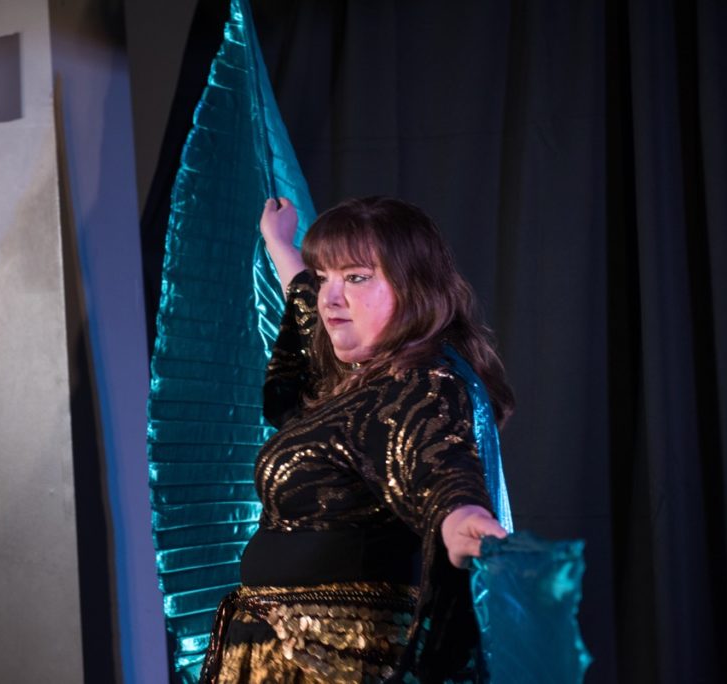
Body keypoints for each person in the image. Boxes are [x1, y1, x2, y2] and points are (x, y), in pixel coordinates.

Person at [199, 196, 515, 683]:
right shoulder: (360, 382)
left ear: (412, 287)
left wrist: (459, 517)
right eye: (323, 276)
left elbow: (438, 459)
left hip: (338, 660)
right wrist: (280, 245)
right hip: (286, 655)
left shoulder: (422, 383)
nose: (330, 297)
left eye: (356, 277)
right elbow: (310, 312)